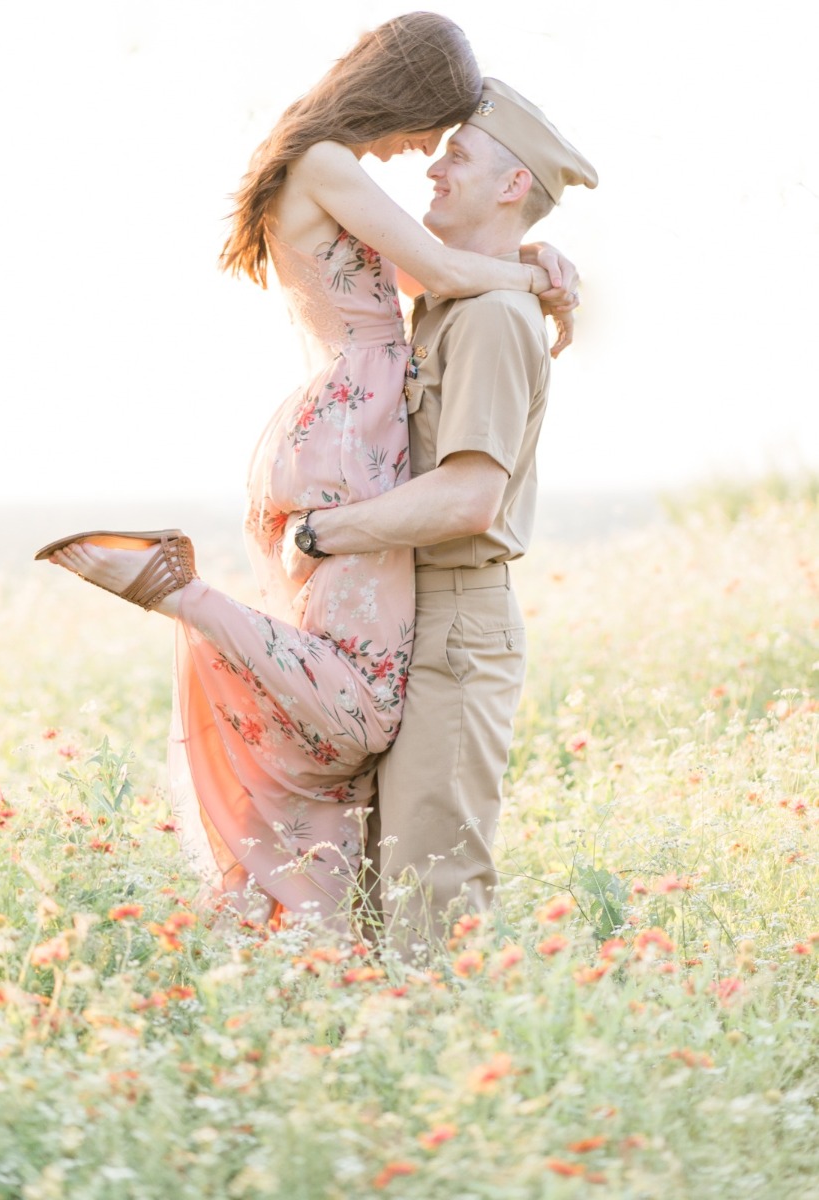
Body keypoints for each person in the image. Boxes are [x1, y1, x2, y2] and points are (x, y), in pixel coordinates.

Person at [35, 15, 575, 927]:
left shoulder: (314, 163)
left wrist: (525, 257)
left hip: (332, 421)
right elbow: (443, 268)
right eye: (422, 129)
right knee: (362, 714)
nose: (416, 152)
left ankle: (317, 929)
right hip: (352, 427)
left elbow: (429, 276)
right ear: (401, 93)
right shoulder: (328, 159)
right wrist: (552, 284)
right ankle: (184, 593)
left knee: (349, 696)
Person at [281, 78, 598, 944]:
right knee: (380, 906)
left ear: (510, 187)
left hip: (456, 626)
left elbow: (469, 495)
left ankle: (459, 1076)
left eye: (456, 158)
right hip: (410, 617)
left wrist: (318, 535)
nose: (430, 174)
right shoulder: (451, 302)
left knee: (432, 907)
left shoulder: (494, 316)